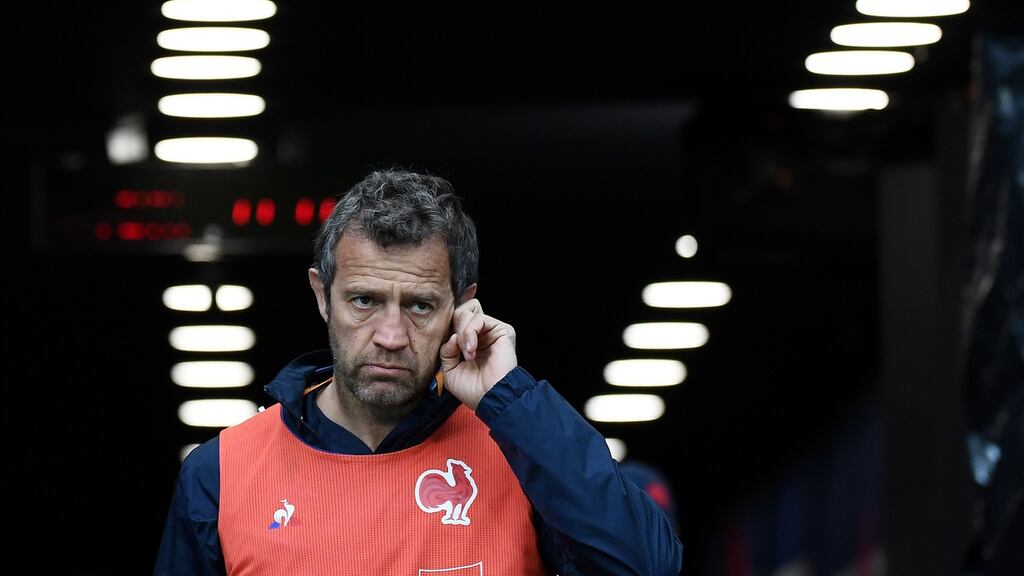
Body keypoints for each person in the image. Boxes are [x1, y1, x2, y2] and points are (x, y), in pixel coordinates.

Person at [154, 169, 683, 575]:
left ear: (463, 306)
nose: (391, 335)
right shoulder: (223, 473)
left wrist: (511, 398)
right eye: (363, 300)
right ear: (322, 296)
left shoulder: (522, 451)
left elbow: (649, 566)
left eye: (421, 306)